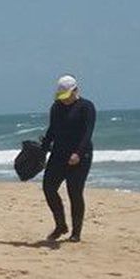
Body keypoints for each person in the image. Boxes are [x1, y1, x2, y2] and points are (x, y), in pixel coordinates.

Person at [39, 74, 96, 242]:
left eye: (67, 96)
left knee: (75, 193)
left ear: (75, 90)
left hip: (80, 156)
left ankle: (76, 233)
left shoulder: (86, 107)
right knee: (48, 188)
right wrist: (43, 149)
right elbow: (52, 130)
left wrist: (78, 153)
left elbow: (88, 133)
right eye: (61, 97)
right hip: (58, 154)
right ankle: (61, 225)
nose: (64, 100)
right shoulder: (56, 107)